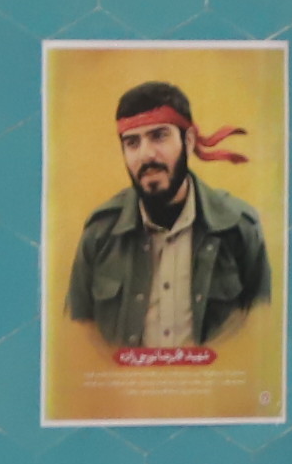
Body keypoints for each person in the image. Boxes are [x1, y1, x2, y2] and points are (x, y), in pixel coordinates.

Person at [63, 81, 269, 354]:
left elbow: (261, 332)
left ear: (189, 141)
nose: (146, 155)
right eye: (132, 143)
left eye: (159, 136)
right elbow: (77, 337)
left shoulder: (238, 227)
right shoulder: (100, 233)